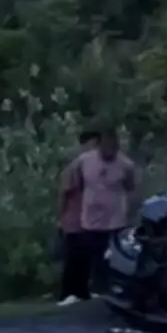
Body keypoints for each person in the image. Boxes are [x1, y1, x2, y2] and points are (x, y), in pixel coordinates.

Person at [75, 127, 137, 299]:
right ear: (99, 145)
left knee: (113, 256)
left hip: (115, 219)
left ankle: (113, 288)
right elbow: (79, 184)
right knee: (93, 255)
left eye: (114, 147)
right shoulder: (84, 161)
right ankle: (95, 288)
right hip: (91, 218)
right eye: (107, 146)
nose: (110, 150)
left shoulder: (126, 165)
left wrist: (130, 212)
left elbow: (131, 189)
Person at [56, 129, 99, 307]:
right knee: (73, 256)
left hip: (88, 219)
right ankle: (68, 292)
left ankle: (82, 291)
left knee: (85, 257)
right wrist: (60, 217)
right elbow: (64, 194)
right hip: (74, 218)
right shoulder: (75, 167)